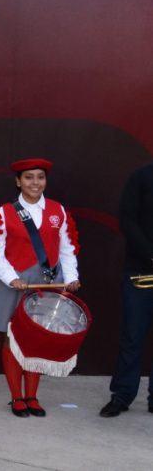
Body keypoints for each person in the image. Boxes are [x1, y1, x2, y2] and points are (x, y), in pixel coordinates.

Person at [0, 158, 80, 418]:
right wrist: (12, 278)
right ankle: (16, 396)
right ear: (18, 182)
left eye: (40, 177)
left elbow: (68, 248)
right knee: (11, 338)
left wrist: (71, 277)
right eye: (28, 177)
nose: (35, 182)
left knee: (38, 339)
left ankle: (32, 396)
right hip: (14, 283)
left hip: (46, 284)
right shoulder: (3, 213)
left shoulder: (58, 210)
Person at [100, 162, 153, 417]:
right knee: (132, 336)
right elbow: (127, 220)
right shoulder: (141, 177)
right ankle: (122, 395)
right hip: (141, 270)